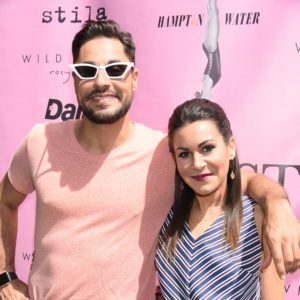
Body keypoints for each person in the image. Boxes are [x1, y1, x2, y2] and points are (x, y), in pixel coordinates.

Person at [0, 20, 298, 300]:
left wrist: (276, 203)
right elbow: (4, 201)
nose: (101, 81)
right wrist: (5, 276)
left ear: (134, 78)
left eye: (115, 68)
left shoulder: (164, 153)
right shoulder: (40, 141)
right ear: (75, 78)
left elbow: (234, 179)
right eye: (87, 71)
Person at [155, 98, 284, 299]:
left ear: (230, 147)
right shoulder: (166, 214)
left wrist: (278, 203)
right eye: (184, 154)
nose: (197, 163)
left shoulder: (256, 219)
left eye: (207, 148)